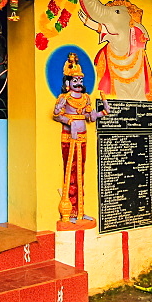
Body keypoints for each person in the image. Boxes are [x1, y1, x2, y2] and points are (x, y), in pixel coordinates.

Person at [52, 70, 107, 223]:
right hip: (69, 137)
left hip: (82, 136)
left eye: (81, 81)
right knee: (70, 173)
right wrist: (70, 122)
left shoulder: (86, 98)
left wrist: (102, 112)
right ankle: (69, 211)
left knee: (81, 173)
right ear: (68, 83)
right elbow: (56, 115)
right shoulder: (64, 98)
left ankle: (80, 212)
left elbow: (90, 116)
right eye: (75, 80)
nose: (78, 83)